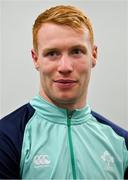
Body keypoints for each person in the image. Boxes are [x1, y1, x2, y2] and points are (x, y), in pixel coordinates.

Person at [0, 5, 128, 179]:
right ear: (36, 58)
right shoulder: (5, 137)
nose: (65, 67)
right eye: (52, 53)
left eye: (76, 51)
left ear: (94, 55)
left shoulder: (121, 142)